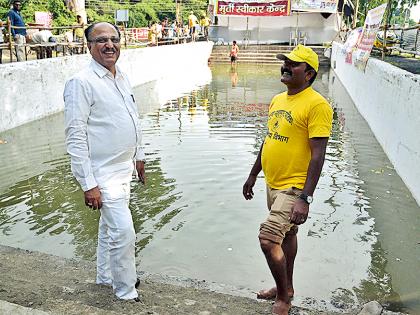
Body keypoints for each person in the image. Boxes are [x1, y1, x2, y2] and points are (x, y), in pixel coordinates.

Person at [242, 45, 333, 315]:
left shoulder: (318, 105)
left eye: (293, 64)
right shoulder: (278, 100)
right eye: (285, 62)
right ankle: (287, 287)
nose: (286, 66)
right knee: (287, 235)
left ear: (308, 74)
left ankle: (283, 298)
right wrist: (252, 173)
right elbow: (269, 139)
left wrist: (305, 198)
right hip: (273, 182)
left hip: (295, 187)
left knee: (268, 239)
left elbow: (318, 155)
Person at [64, 22, 146, 302]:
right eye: (101, 40)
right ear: (89, 47)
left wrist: (139, 156)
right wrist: (88, 184)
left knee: (108, 229)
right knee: (123, 231)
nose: (109, 45)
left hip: (124, 169)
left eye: (113, 39)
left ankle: (106, 276)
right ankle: (125, 290)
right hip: (102, 173)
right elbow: (75, 137)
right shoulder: (81, 83)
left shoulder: (121, 76)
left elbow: (133, 117)